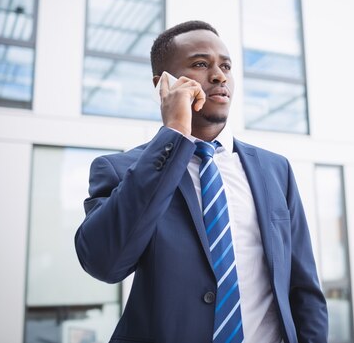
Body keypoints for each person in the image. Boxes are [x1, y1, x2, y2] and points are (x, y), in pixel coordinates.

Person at [75, 20, 328, 343]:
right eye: (200, 64)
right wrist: (174, 133)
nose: (219, 75)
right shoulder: (121, 170)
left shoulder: (275, 170)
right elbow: (104, 264)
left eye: (226, 66)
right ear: (162, 84)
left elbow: (303, 287)